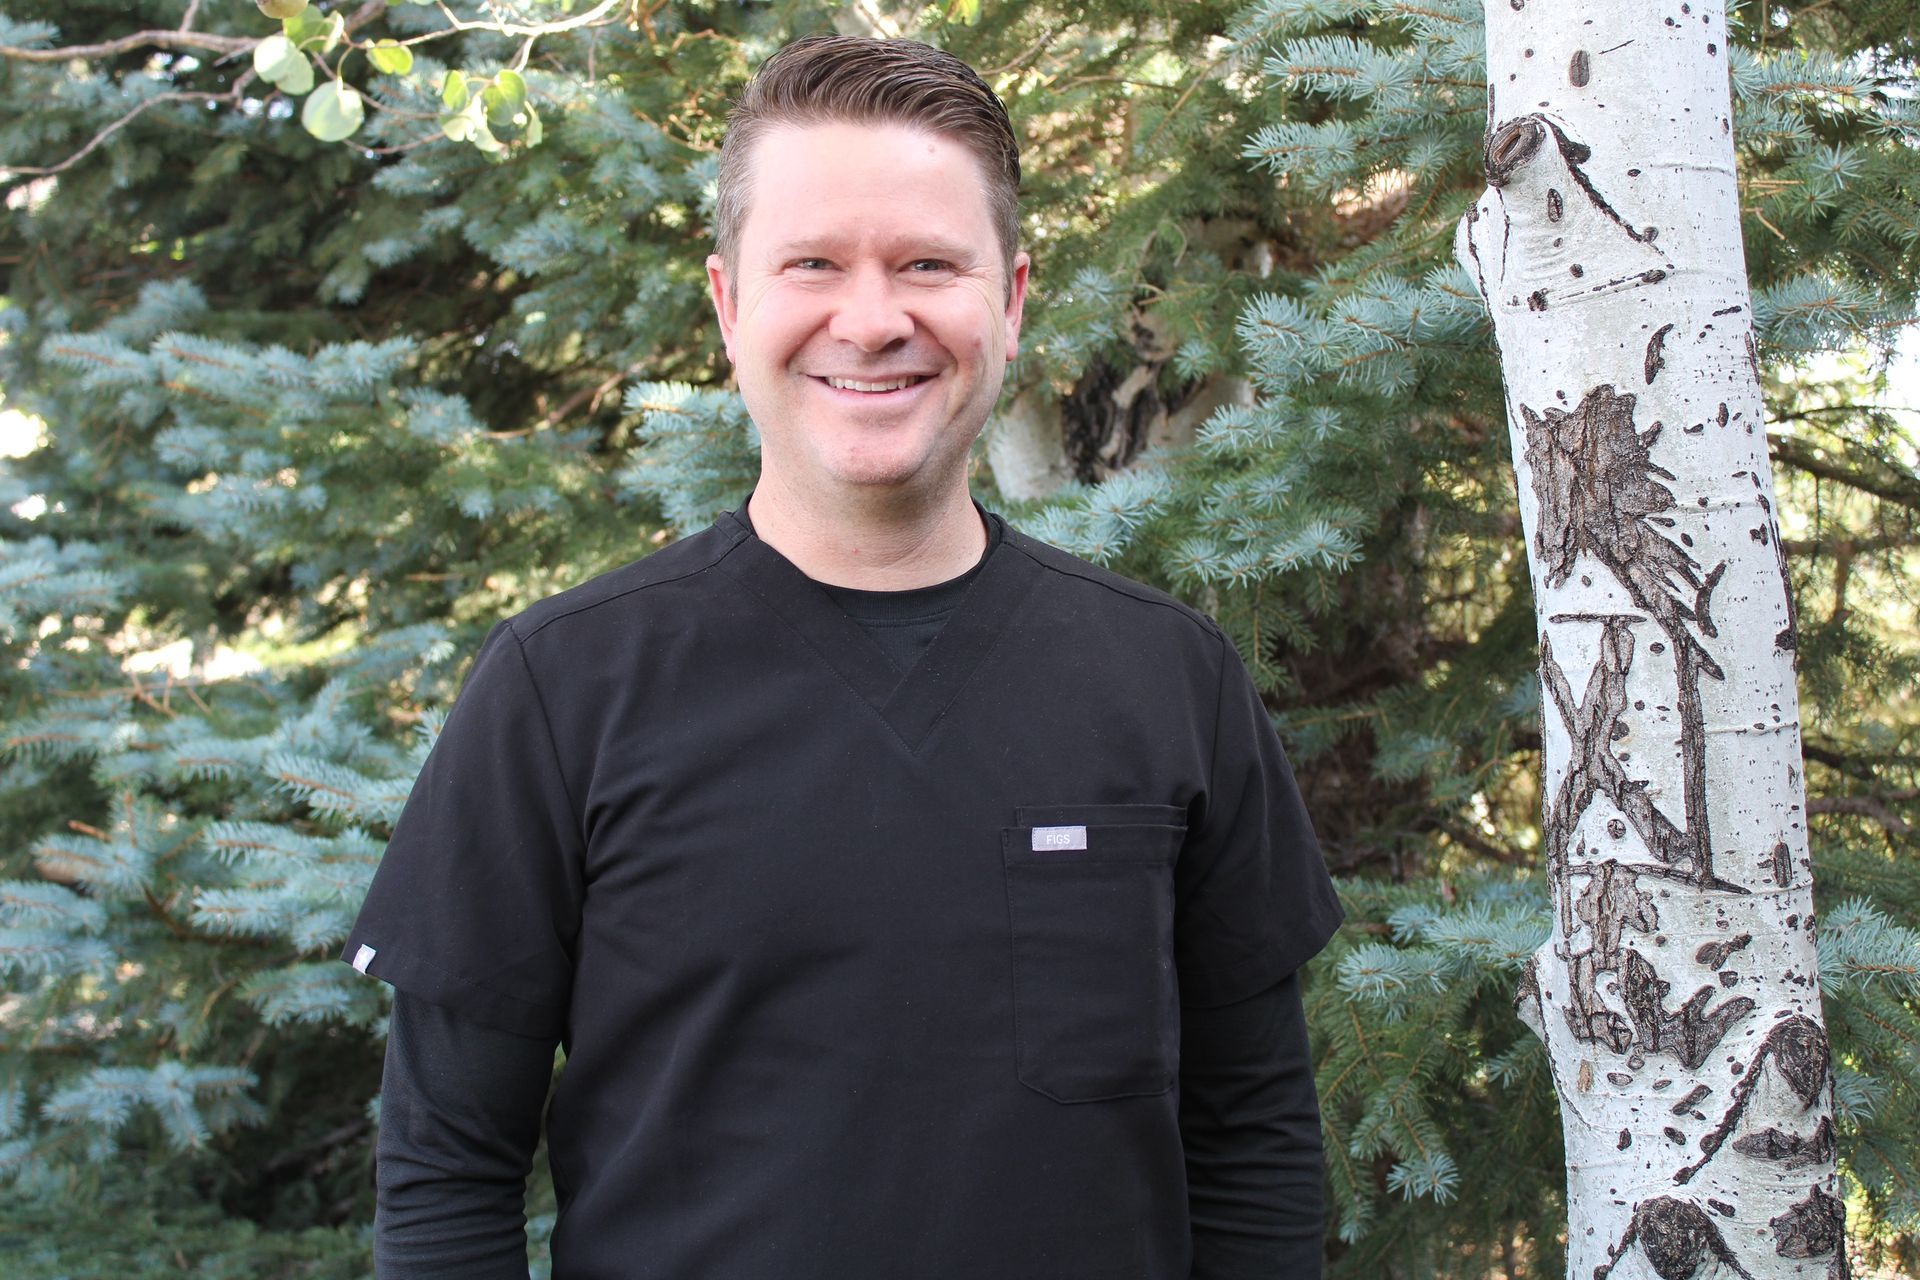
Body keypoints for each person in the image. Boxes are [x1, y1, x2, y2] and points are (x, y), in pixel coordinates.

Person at [343, 34, 1343, 1280]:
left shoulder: (1169, 680)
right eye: (812, 264)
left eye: (928, 264)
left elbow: (1253, 1145)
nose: (872, 321)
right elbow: (447, 1172)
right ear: (728, 304)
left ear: (1014, 299)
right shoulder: (562, 687)